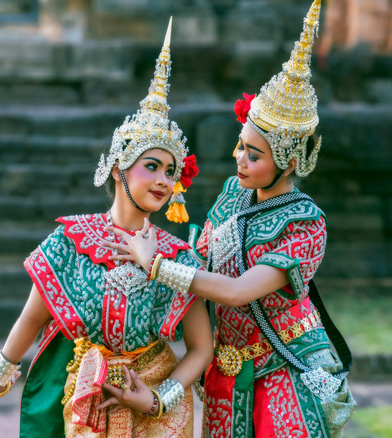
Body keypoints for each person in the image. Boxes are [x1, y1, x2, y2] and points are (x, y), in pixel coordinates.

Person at [103, 1, 356, 437]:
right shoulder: (232, 195)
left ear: (290, 160)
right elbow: (200, 266)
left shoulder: (305, 224)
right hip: (227, 371)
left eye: (253, 155)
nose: (238, 159)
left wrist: (157, 266)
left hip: (284, 369)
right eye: (240, 146)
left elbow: (238, 293)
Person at [0, 19, 213, 438]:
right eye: (151, 166)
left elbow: (201, 348)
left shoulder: (178, 256)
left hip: (154, 399)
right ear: (119, 168)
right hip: (86, 394)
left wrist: (160, 399)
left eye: (170, 171)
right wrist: (0, 373)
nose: (162, 181)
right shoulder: (70, 242)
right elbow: (31, 319)